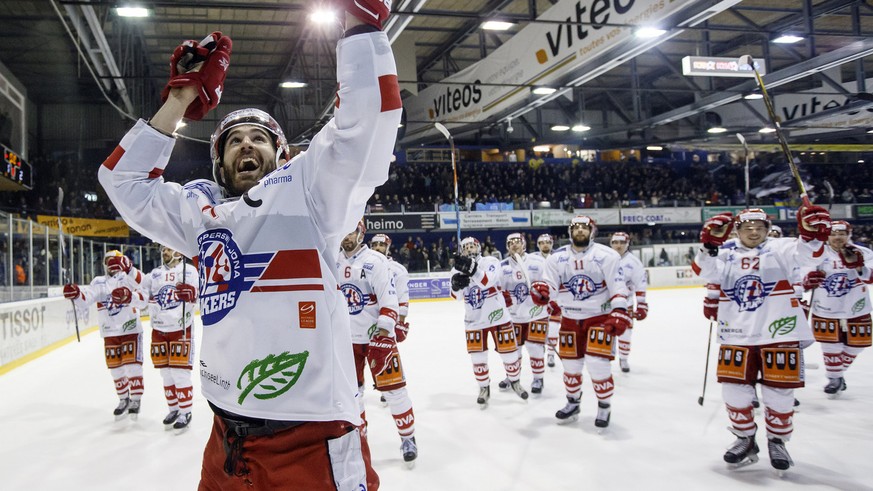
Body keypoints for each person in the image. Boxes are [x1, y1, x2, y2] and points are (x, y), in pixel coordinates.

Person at [97, 2, 399, 487]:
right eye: (233, 140)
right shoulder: (201, 218)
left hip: (312, 440)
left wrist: (361, 28)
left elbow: (365, 127)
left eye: (260, 137)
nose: (245, 145)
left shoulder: (310, 193)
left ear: (283, 156)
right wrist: (182, 99)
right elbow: (122, 181)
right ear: (219, 163)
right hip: (224, 443)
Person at [692, 206, 831, 472]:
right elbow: (704, 272)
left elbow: (811, 256)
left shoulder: (782, 247)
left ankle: (777, 441)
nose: (753, 232)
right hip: (736, 333)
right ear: (737, 230)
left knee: (779, 394)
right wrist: (708, 244)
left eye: (759, 228)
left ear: (768, 229)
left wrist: (812, 233)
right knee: (733, 392)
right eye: (747, 228)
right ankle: (744, 439)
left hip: (780, 332)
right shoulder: (726, 250)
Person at [528, 216, 631, 429]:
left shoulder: (607, 255)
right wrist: (544, 293)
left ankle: (604, 405)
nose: (580, 231)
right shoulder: (556, 258)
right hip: (570, 318)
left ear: (592, 231)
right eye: (576, 227)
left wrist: (619, 310)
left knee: (597, 364)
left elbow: (618, 286)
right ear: (569, 231)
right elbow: (550, 286)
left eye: (585, 227)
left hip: (599, 317)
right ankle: (573, 403)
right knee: (571, 366)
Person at [337, 223, 418, 466]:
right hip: (347, 341)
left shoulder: (376, 262)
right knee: (353, 395)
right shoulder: (331, 258)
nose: (347, 237)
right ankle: (359, 442)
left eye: (351, 231)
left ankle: (408, 438)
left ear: (361, 233)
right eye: (343, 231)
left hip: (377, 340)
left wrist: (384, 335)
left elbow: (389, 301)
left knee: (394, 390)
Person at [63, 251, 148, 420]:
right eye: (109, 261)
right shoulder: (99, 282)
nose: (112, 264)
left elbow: (144, 295)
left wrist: (130, 289)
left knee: (133, 367)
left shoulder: (129, 277)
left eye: (115, 261)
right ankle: (124, 399)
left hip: (130, 328)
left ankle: (136, 399)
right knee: (116, 369)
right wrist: (76, 294)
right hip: (109, 331)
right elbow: (86, 299)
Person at [123, 245, 199, 430]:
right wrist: (128, 297)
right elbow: (141, 299)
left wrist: (193, 295)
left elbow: (201, 297)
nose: (163, 252)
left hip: (181, 328)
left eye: (167, 249)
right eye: (162, 249)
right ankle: (173, 408)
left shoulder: (190, 271)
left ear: (178, 251)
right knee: (166, 374)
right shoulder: (154, 274)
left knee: (180, 373)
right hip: (159, 329)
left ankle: (185, 411)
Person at [450, 237, 528, 407]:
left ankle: (515, 381)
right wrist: (456, 285)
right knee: (477, 358)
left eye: (472, 245)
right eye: (466, 247)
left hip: (498, 315)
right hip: (474, 320)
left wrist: (472, 270)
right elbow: (456, 297)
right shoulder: (456, 268)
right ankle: (484, 387)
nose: (469, 249)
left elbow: (487, 282)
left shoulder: (491, 261)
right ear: (462, 250)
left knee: (510, 354)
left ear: (478, 247)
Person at [802, 220, 872, 397]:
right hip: (825, 306)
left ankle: (838, 373)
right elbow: (803, 274)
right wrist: (808, 279)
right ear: (828, 236)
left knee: (858, 346)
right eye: (833, 234)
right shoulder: (817, 253)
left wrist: (858, 265)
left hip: (857, 306)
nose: (838, 237)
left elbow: (870, 277)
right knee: (829, 345)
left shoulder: (864, 252)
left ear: (849, 234)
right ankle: (835, 378)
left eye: (842, 234)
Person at [497, 233, 550, 394]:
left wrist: (544, 293)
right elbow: (497, 289)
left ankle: (538, 378)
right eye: (510, 242)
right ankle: (512, 376)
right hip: (514, 316)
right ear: (507, 246)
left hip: (537, 314)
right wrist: (502, 297)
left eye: (517, 242)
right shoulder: (502, 266)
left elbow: (551, 284)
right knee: (514, 350)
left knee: (535, 348)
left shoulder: (538, 262)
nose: (514, 245)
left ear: (524, 244)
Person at [609, 232, 648, 373]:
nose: (618, 245)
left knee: (626, 332)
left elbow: (641, 284)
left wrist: (642, 304)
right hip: (605, 304)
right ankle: (607, 356)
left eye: (622, 242)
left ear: (627, 244)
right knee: (606, 331)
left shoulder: (634, 262)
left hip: (626, 303)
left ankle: (624, 358)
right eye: (615, 242)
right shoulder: (604, 258)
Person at [531, 233, 561, 368]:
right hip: (538, 299)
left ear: (552, 244)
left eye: (548, 242)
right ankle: (540, 349)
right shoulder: (532, 259)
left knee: (554, 328)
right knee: (539, 328)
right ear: (538, 245)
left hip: (555, 298)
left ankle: (550, 354)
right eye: (542, 242)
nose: (545, 244)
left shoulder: (558, 258)